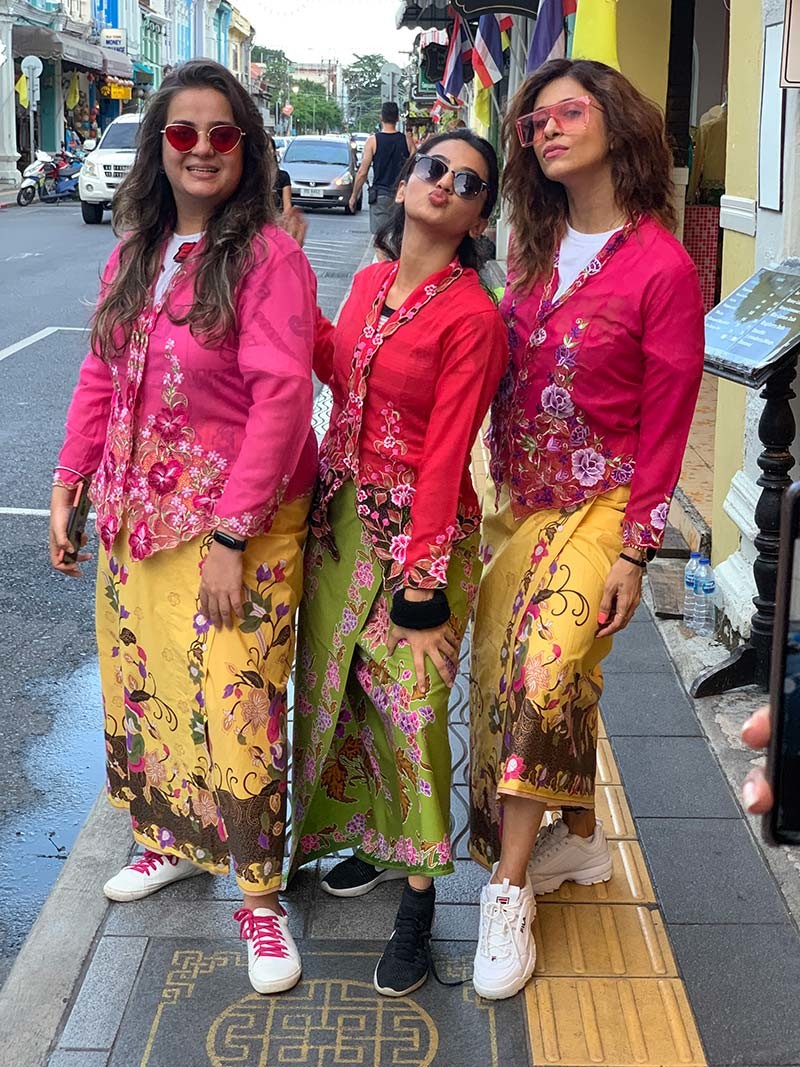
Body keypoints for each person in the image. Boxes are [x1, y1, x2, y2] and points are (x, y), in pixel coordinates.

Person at [49, 60, 318, 997]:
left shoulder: (267, 257)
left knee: (237, 703)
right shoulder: (136, 248)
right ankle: (167, 836)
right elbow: (99, 373)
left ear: (246, 148)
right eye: (182, 133)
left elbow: (283, 396)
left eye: (221, 134)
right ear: (157, 145)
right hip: (134, 522)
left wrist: (234, 535)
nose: (201, 150)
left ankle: (259, 895)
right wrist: (69, 479)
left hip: (234, 532)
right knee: (147, 683)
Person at [468, 58, 705, 999]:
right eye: (536, 123)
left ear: (618, 124)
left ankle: (507, 893)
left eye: (571, 112)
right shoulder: (532, 246)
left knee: (542, 668)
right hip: (518, 507)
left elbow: (670, 415)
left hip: (604, 505)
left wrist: (639, 546)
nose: (549, 130)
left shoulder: (662, 264)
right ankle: (575, 841)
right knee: (516, 673)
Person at [291, 130, 508, 997]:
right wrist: (292, 282)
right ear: (408, 178)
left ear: (479, 215)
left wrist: (423, 591)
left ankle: (420, 902)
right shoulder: (374, 282)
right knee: (342, 690)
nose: (446, 184)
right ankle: (371, 845)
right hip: (343, 521)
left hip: (422, 540)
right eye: (436, 167)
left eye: (469, 182)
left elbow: (447, 455)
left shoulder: (474, 316)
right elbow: (338, 374)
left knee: (413, 708)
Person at [350, 102, 415, 231]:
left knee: (381, 241)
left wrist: (354, 196)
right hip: (401, 196)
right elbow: (415, 167)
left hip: (380, 196)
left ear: (381, 117)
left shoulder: (372, 141)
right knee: (398, 239)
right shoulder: (407, 141)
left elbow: (363, 172)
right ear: (397, 118)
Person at [269, 134, 292, 213]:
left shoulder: (283, 177)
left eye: (269, 149)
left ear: (274, 152)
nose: (267, 153)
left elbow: (287, 206)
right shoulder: (253, 176)